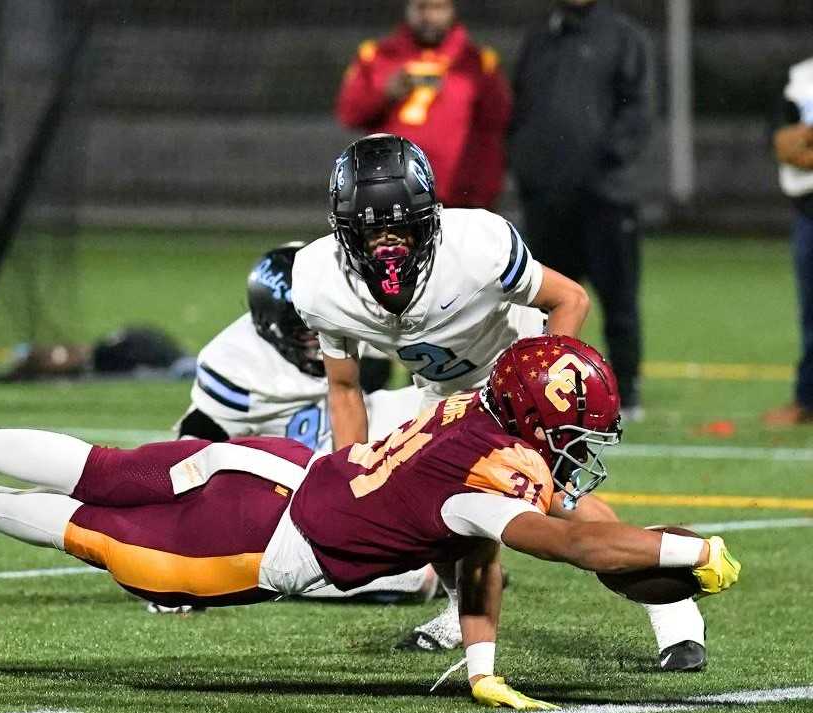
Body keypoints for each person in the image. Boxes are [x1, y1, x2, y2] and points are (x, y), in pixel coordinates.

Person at [0, 336, 741, 708]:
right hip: (256, 543)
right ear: (537, 423)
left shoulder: (478, 411)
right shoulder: (493, 470)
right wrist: (694, 549)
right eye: (574, 433)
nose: (581, 450)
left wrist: (481, 666)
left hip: (279, 465)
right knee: (90, 529)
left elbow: (472, 550)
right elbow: (583, 545)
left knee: (101, 466)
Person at [293, 133, 707, 670]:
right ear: (343, 234)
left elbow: (570, 298)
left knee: (559, 500)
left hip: (515, 383)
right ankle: (458, 609)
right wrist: (349, 472)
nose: (388, 245)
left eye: (401, 228)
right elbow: (345, 386)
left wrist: (544, 389)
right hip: (441, 396)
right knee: (434, 518)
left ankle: (673, 612)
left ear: (430, 220)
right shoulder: (319, 281)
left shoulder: (477, 245)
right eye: (371, 233)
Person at [176, 242, 435, 605]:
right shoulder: (236, 363)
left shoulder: (351, 307)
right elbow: (195, 434)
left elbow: (369, 381)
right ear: (271, 327)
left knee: (449, 413)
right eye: (306, 332)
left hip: (353, 434)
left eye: (321, 326)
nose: (319, 343)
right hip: (293, 483)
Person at [508, 0, 652, 419]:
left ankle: (626, 390)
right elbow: (521, 107)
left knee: (618, 298)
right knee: (538, 304)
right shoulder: (540, 35)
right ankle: (541, 391)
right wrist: (530, 166)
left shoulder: (624, 36)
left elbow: (639, 111)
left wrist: (599, 163)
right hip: (548, 199)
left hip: (605, 198)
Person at [335, 0, 510, 210]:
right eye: (421, 8)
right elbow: (348, 113)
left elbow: (498, 125)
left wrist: (483, 193)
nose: (429, 17)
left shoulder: (477, 62)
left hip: (457, 197)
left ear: (452, 10)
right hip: (392, 193)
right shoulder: (376, 56)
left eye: (438, 8)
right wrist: (384, 95)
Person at [765, 56, 813, 426]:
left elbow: (801, 144)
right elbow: (786, 148)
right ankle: (808, 399)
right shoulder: (799, 78)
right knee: (811, 314)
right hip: (809, 213)